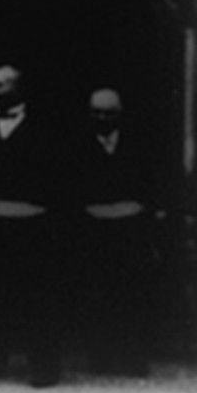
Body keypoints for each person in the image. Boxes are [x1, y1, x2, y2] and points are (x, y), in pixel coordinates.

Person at [0, 64, 65, 388]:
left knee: (37, 298)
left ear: (19, 89)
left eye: (2, 85)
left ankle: (44, 366)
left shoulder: (46, 129)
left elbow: (57, 179)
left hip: (31, 227)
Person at [73, 87, 157, 376]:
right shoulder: (78, 146)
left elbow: (150, 185)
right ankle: (100, 357)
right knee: (97, 294)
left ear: (119, 116)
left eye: (108, 113)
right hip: (94, 230)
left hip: (130, 230)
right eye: (96, 113)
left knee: (131, 294)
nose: (102, 118)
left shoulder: (139, 145)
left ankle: (134, 358)